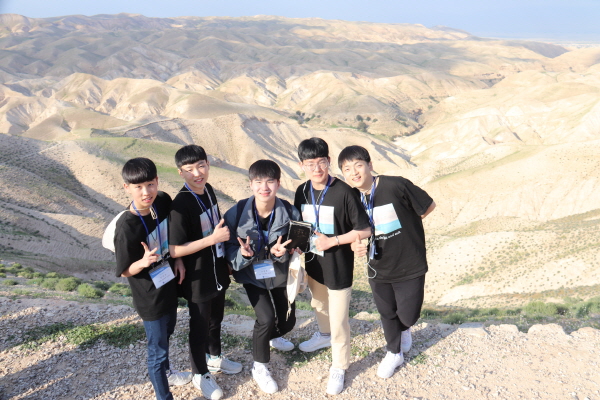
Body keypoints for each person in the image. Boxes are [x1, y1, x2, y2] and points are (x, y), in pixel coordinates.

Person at [338, 145, 436, 379]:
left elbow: (428, 205)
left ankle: (405, 328)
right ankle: (394, 353)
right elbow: (356, 232)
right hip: (378, 266)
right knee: (387, 312)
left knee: (408, 315)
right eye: (347, 169)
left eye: (358, 165)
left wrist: (410, 227)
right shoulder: (352, 199)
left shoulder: (395, 185)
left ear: (370, 165)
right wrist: (355, 245)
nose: (354, 172)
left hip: (409, 262)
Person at [293, 138, 371, 395]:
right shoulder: (302, 191)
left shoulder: (344, 192)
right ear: (302, 165)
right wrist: (296, 246)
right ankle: (324, 336)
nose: (317, 169)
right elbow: (301, 225)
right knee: (319, 305)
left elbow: (364, 229)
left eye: (321, 162)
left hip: (338, 266)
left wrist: (333, 241)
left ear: (328, 161)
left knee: (339, 320)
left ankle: (339, 365)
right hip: (313, 264)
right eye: (310, 164)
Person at [168, 145, 242, 400]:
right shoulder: (181, 205)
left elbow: (215, 226)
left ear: (208, 165)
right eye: (189, 169)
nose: (197, 173)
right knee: (199, 325)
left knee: (215, 319)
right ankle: (200, 373)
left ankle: (215, 358)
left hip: (216, 269)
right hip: (197, 276)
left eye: (201, 166)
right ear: (181, 173)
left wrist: (225, 256)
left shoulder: (208, 190)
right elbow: (175, 249)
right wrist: (212, 240)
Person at [113, 157, 190, 400]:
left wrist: (178, 259)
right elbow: (124, 270)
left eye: (150, 184)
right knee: (157, 352)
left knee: (166, 335)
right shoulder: (127, 227)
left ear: (157, 181)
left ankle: (167, 372)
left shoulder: (163, 201)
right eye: (138, 187)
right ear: (127, 188)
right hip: (149, 298)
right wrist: (143, 263)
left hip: (168, 286)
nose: (146, 192)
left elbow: (174, 236)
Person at [223, 159, 301, 394]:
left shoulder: (290, 212)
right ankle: (260, 366)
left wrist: (282, 253)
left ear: (278, 183)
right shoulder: (236, 213)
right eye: (258, 182)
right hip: (252, 275)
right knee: (266, 318)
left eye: (270, 181)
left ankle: (269, 338)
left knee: (287, 321)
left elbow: (297, 247)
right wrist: (243, 255)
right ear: (250, 184)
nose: (264, 187)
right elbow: (228, 251)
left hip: (279, 273)